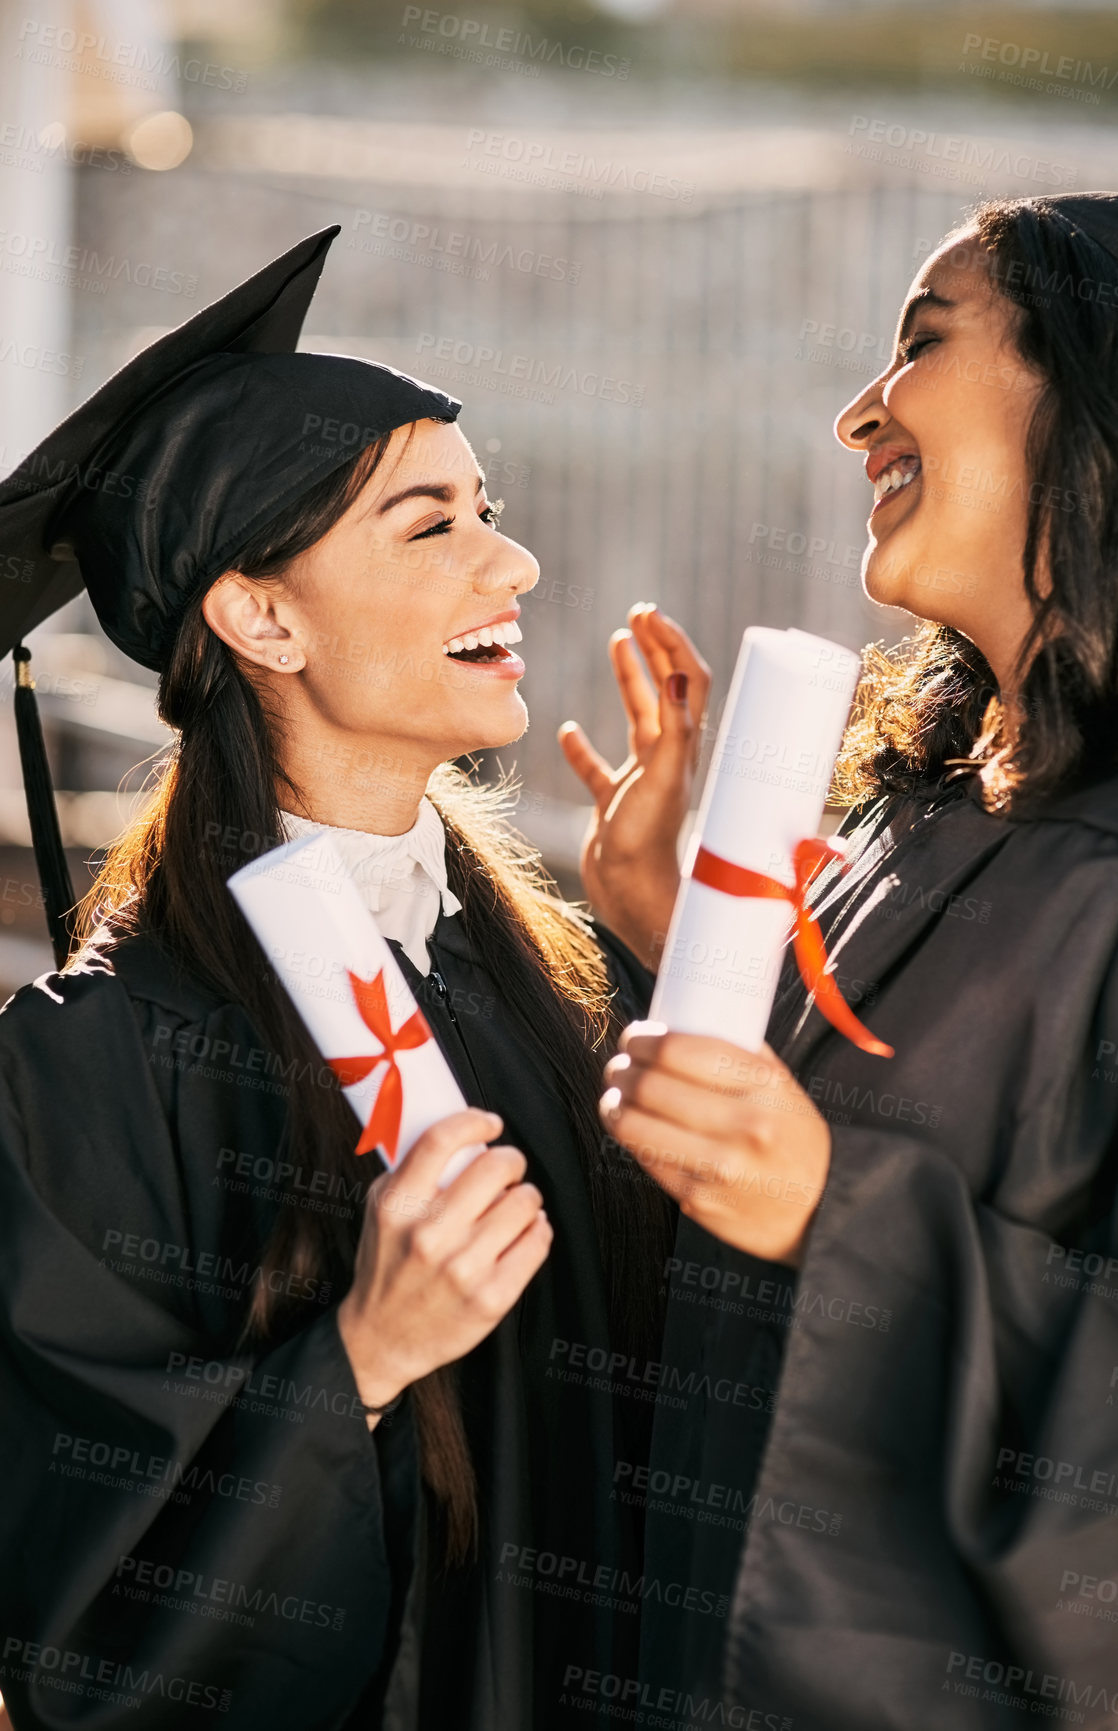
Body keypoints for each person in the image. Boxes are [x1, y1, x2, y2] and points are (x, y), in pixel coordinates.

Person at [0, 228, 709, 1731]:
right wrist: (366, 1358)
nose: (510, 559)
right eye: (427, 522)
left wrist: (673, 950)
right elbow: (77, 1626)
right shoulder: (98, 1064)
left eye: (489, 509)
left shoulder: (547, 974)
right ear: (261, 616)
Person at [563, 193, 1118, 1728]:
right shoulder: (937, 804)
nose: (855, 416)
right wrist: (675, 934)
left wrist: (844, 1221)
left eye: (921, 347)